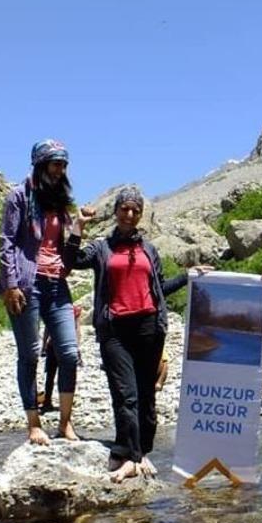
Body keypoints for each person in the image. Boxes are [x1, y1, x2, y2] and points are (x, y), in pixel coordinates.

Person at [65, 186, 211, 483]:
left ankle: (140, 451)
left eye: (135, 210)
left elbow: (160, 288)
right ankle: (130, 457)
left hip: (149, 328)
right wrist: (78, 226)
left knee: (146, 396)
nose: (129, 215)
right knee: (125, 393)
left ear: (140, 214)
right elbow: (72, 262)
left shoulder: (149, 249)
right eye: (124, 209)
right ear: (116, 212)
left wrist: (188, 276)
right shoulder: (102, 247)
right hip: (115, 330)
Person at [0, 139, 81, 446]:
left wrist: (80, 228)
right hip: (26, 283)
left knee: (69, 354)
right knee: (30, 354)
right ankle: (34, 424)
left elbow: (65, 245)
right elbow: (6, 241)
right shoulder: (19, 196)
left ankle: (65, 423)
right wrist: (11, 284)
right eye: (56, 164)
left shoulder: (60, 202)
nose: (61, 171)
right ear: (41, 165)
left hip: (57, 282)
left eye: (64, 165)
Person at [37, 304, 83, 414]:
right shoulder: (74, 311)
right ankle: (65, 403)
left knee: (50, 375)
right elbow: (77, 330)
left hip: (53, 346)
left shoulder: (53, 311)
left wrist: (43, 346)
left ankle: (47, 402)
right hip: (65, 346)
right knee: (65, 375)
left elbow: (47, 329)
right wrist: (76, 347)